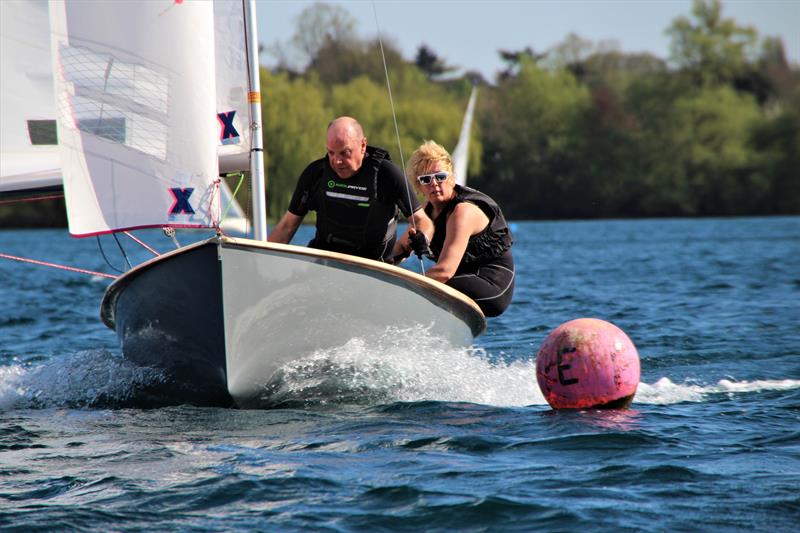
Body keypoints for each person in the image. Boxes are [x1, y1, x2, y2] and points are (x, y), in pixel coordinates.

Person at [268, 116, 432, 262]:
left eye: (344, 153)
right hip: (324, 265)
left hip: (373, 270)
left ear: (363, 145)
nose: (337, 161)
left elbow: (422, 221)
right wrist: (260, 264)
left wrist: (422, 236)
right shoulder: (316, 174)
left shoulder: (388, 175)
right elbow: (286, 226)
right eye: (331, 153)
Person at [399, 140, 514, 317]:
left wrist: (402, 292)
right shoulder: (424, 215)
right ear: (419, 186)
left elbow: (444, 271)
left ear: (451, 177)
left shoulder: (463, 211)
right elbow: (398, 250)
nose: (434, 184)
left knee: (428, 290)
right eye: (426, 179)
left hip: (493, 287)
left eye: (440, 176)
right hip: (457, 283)